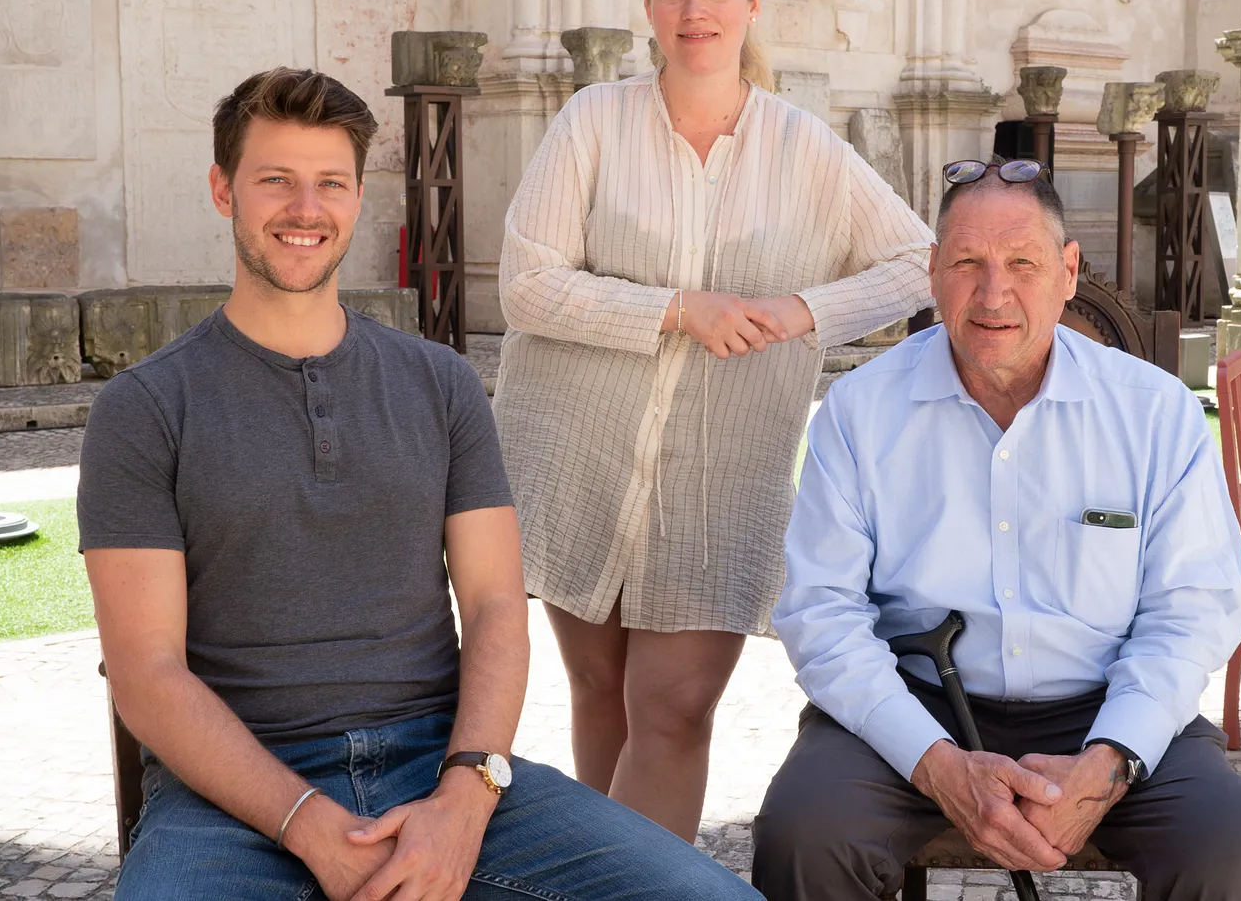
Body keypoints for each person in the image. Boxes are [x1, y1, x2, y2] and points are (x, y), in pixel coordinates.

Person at [77, 67, 763, 901]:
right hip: (232, 797)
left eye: (330, 183)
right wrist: (306, 822)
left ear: (358, 197)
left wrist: (466, 798)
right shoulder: (144, 408)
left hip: (443, 765)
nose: (305, 208)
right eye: (276, 181)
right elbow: (147, 671)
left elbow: (496, 608)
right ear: (224, 191)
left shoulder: (440, 385)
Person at [495, 0, 934, 841]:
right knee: (600, 694)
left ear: (751, 3)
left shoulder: (802, 144)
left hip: (720, 479)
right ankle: (600, 869)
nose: (697, 11)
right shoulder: (591, 123)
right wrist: (673, 311)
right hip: (579, 459)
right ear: (649, 7)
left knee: (675, 708)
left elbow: (916, 261)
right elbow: (526, 288)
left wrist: (803, 312)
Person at [752, 159, 1241, 900]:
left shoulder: (1154, 414)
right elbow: (821, 611)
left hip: (1107, 703)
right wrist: (936, 765)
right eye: (967, 262)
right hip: (916, 704)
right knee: (803, 837)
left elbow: (1193, 609)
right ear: (933, 272)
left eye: (1023, 264)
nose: (993, 293)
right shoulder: (859, 411)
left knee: (1234, 856)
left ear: (1068, 272)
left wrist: (1108, 762)